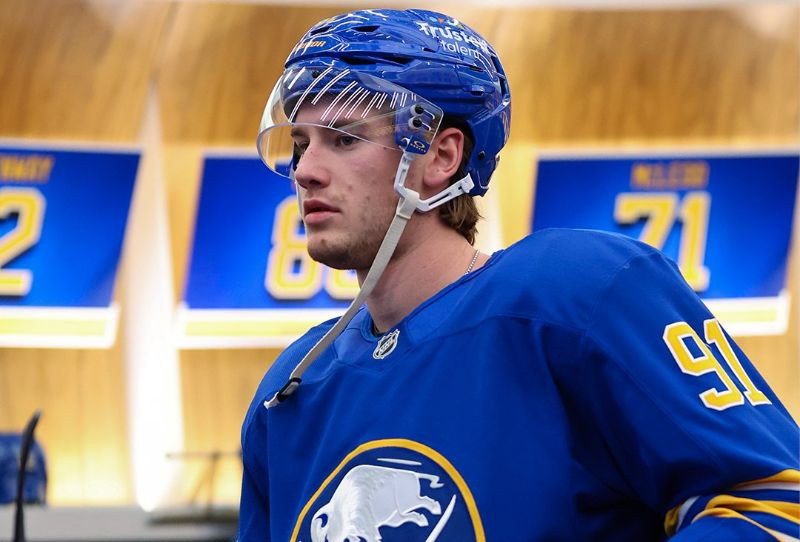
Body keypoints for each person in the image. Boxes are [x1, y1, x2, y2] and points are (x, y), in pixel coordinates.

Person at [239, 8, 799, 541]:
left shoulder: (576, 292)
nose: (305, 170)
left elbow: (772, 501)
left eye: (344, 138)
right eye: (300, 144)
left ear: (441, 157)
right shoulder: (291, 389)